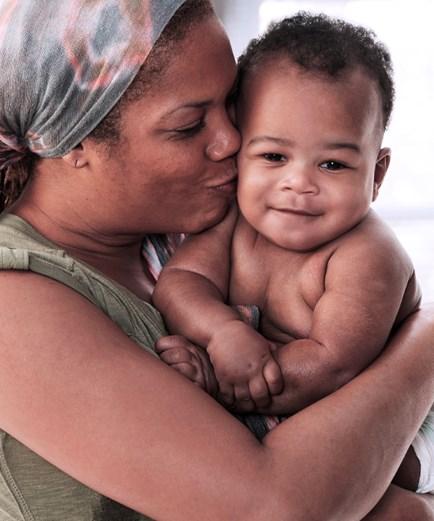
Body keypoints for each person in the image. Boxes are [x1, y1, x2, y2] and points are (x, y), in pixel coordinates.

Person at [0, 2, 432, 520]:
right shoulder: (14, 298)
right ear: (76, 142)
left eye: (232, 105)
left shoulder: (180, 231)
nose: (233, 140)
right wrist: (425, 341)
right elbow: (274, 508)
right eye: (188, 126)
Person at [153, 13, 434, 496]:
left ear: (378, 173)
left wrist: (218, 383)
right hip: (281, 405)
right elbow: (180, 283)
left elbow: (333, 364)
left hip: (399, 425)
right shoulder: (232, 223)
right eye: (274, 157)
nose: (299, 183)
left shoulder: (368, 256)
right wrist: (222, 333)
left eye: (333, 164)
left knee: (381, 491)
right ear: (239, 151)